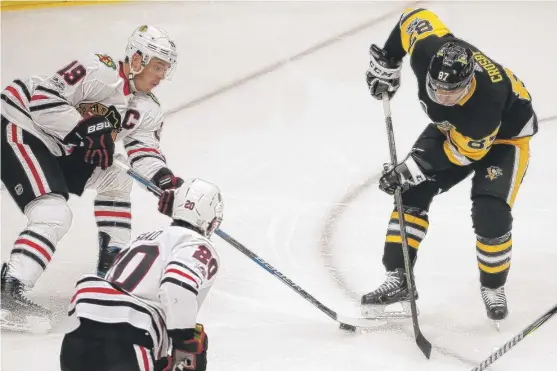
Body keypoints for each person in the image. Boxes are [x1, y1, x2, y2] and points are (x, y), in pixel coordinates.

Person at [1, 25, 184, 330]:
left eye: (166, 69)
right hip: (22, 126)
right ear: (137, 58)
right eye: (157, 66)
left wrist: (164, 180)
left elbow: (144, 150)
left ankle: (113, 270)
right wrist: (85, 128)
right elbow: (43, 100)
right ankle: (9, 287)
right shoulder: (100, 70)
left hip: (58, 147)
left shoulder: (146, 108)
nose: (161, 76)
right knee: (54, 213)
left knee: (119, 176)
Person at [360, 7, 537, 323]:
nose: (441, 97)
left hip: (504, 139)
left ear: (468, 83)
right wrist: (389, 59)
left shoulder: (484, 105)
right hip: (454, 131)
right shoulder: (429, 50)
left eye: (451, 91)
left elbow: (463, 154)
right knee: (411, 192)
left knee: (489, 210)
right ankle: (399, 278)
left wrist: (410, 168)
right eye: (436, 88)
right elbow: (413, 17)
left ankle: (493, 286)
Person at [59, 178, 224, 371]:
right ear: (211, 220)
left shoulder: (143, 238)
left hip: (79, 333)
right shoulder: (198, 245)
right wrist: (184, 338)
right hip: (129, 337)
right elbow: (176, 287)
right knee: (191, 345)